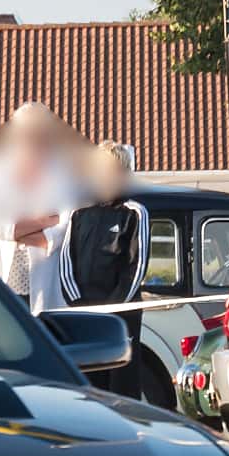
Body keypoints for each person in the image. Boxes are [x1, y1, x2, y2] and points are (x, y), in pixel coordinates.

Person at [60, 141, 150, 396]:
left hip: (122, 317)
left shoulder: (135, 213)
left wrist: (113, 308)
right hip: (86, 314)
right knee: (90, 387)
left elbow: (136, 267)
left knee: (122, 386)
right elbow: (66, 262)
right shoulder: (79, 214)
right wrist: (81, 307)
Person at [0, 102, 83, 316]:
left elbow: (67, 220)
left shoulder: (63, 171)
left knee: (44, 333)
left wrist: (21, 232)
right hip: (4, 277)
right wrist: (43, 222)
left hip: (46, 280)